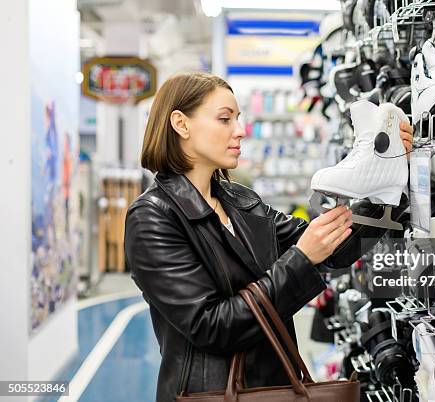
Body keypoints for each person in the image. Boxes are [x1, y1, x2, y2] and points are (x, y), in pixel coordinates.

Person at [124, 72, 414, 402]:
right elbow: (211, 326)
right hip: (211, 394)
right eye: (224, 119)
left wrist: (384, 186)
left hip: (274, 388)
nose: (240, 131)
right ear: (181, 124)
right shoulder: (153, 217)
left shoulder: (240, 201)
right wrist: (301, 260)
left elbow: (334, 249)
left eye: (238, 119)